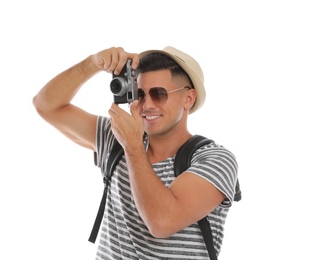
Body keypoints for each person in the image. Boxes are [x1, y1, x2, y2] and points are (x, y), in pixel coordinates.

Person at [33, 46, 238, 259]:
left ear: (188, 98)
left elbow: (161, 222)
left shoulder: (215, 159)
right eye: (139, 94)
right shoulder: (117, 138)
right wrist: (92, 63)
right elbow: (46, 105)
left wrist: (133, 146)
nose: (146, 105)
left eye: (159, 94)